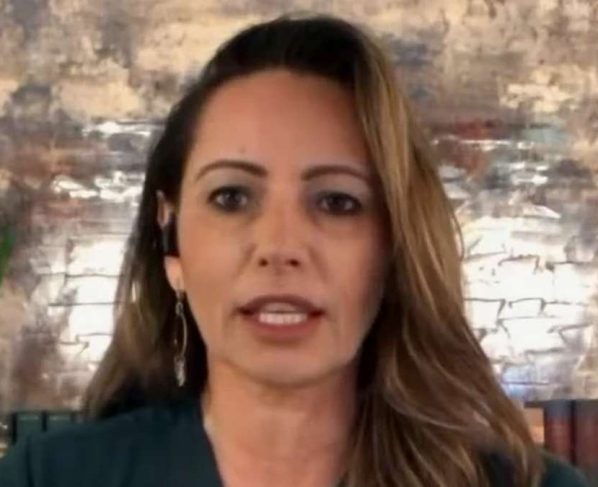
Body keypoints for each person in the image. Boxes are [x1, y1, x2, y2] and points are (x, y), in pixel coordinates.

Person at [0, 13, 588, 487]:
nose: (280, 247)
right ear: (171, 239)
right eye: (231, 197)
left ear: (393, 247)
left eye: (337, 202)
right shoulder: (47, 476)